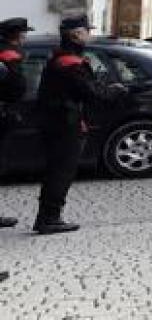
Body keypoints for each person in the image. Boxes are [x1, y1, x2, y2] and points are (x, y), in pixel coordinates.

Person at [35, 16, 126, 234]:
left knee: (56, 171)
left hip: (56, 121)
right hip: (65, 124)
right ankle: (49, 218)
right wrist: (115, 90)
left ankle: (47, 217)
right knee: (61, 172)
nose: (89, 35)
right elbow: (92, 93)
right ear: (76, 35)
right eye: (87, 31)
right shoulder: (71, 63)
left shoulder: (60, 57)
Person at [0, 17, 32, 233]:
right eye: (23, 34)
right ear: (17, 36)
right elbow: (18, 87)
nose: (25, 37)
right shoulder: (9, 55)